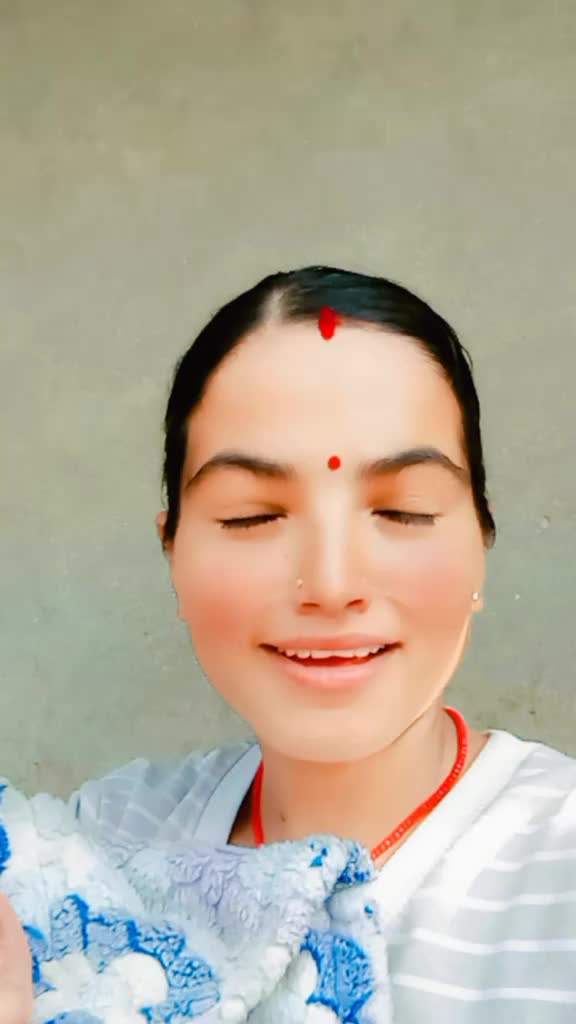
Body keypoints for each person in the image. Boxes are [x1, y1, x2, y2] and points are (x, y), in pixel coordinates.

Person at [1, 265, 576, 1023]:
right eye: (252, 516)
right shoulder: (91, 848)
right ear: (172, 550)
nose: (332, 586)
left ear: (481, 539)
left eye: (403, 511)